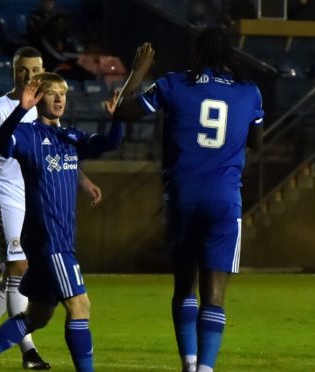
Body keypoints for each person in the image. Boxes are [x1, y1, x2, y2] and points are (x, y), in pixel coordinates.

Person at [113, 28, 264, 372]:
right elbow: (256, 141)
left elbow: (122, 113)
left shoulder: (175, 84)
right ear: (229, 55)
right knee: (215, 293)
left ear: (196, 53)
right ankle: (205, 369)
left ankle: (188, 363)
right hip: (225, 199)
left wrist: (139, 70)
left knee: (185, 287)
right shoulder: (249, 91)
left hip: (183, 197)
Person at [0, 72, 123, 372]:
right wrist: (21, 108)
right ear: (38, 99)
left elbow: (109, 143)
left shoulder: (70, 137)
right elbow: (1, 140)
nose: (58, 99)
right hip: (50, 239)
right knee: (80, 306)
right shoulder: (28, 135)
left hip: (55, 239)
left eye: (63, 93)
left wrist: (118, 118)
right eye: (51, 93)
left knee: (39, 315)